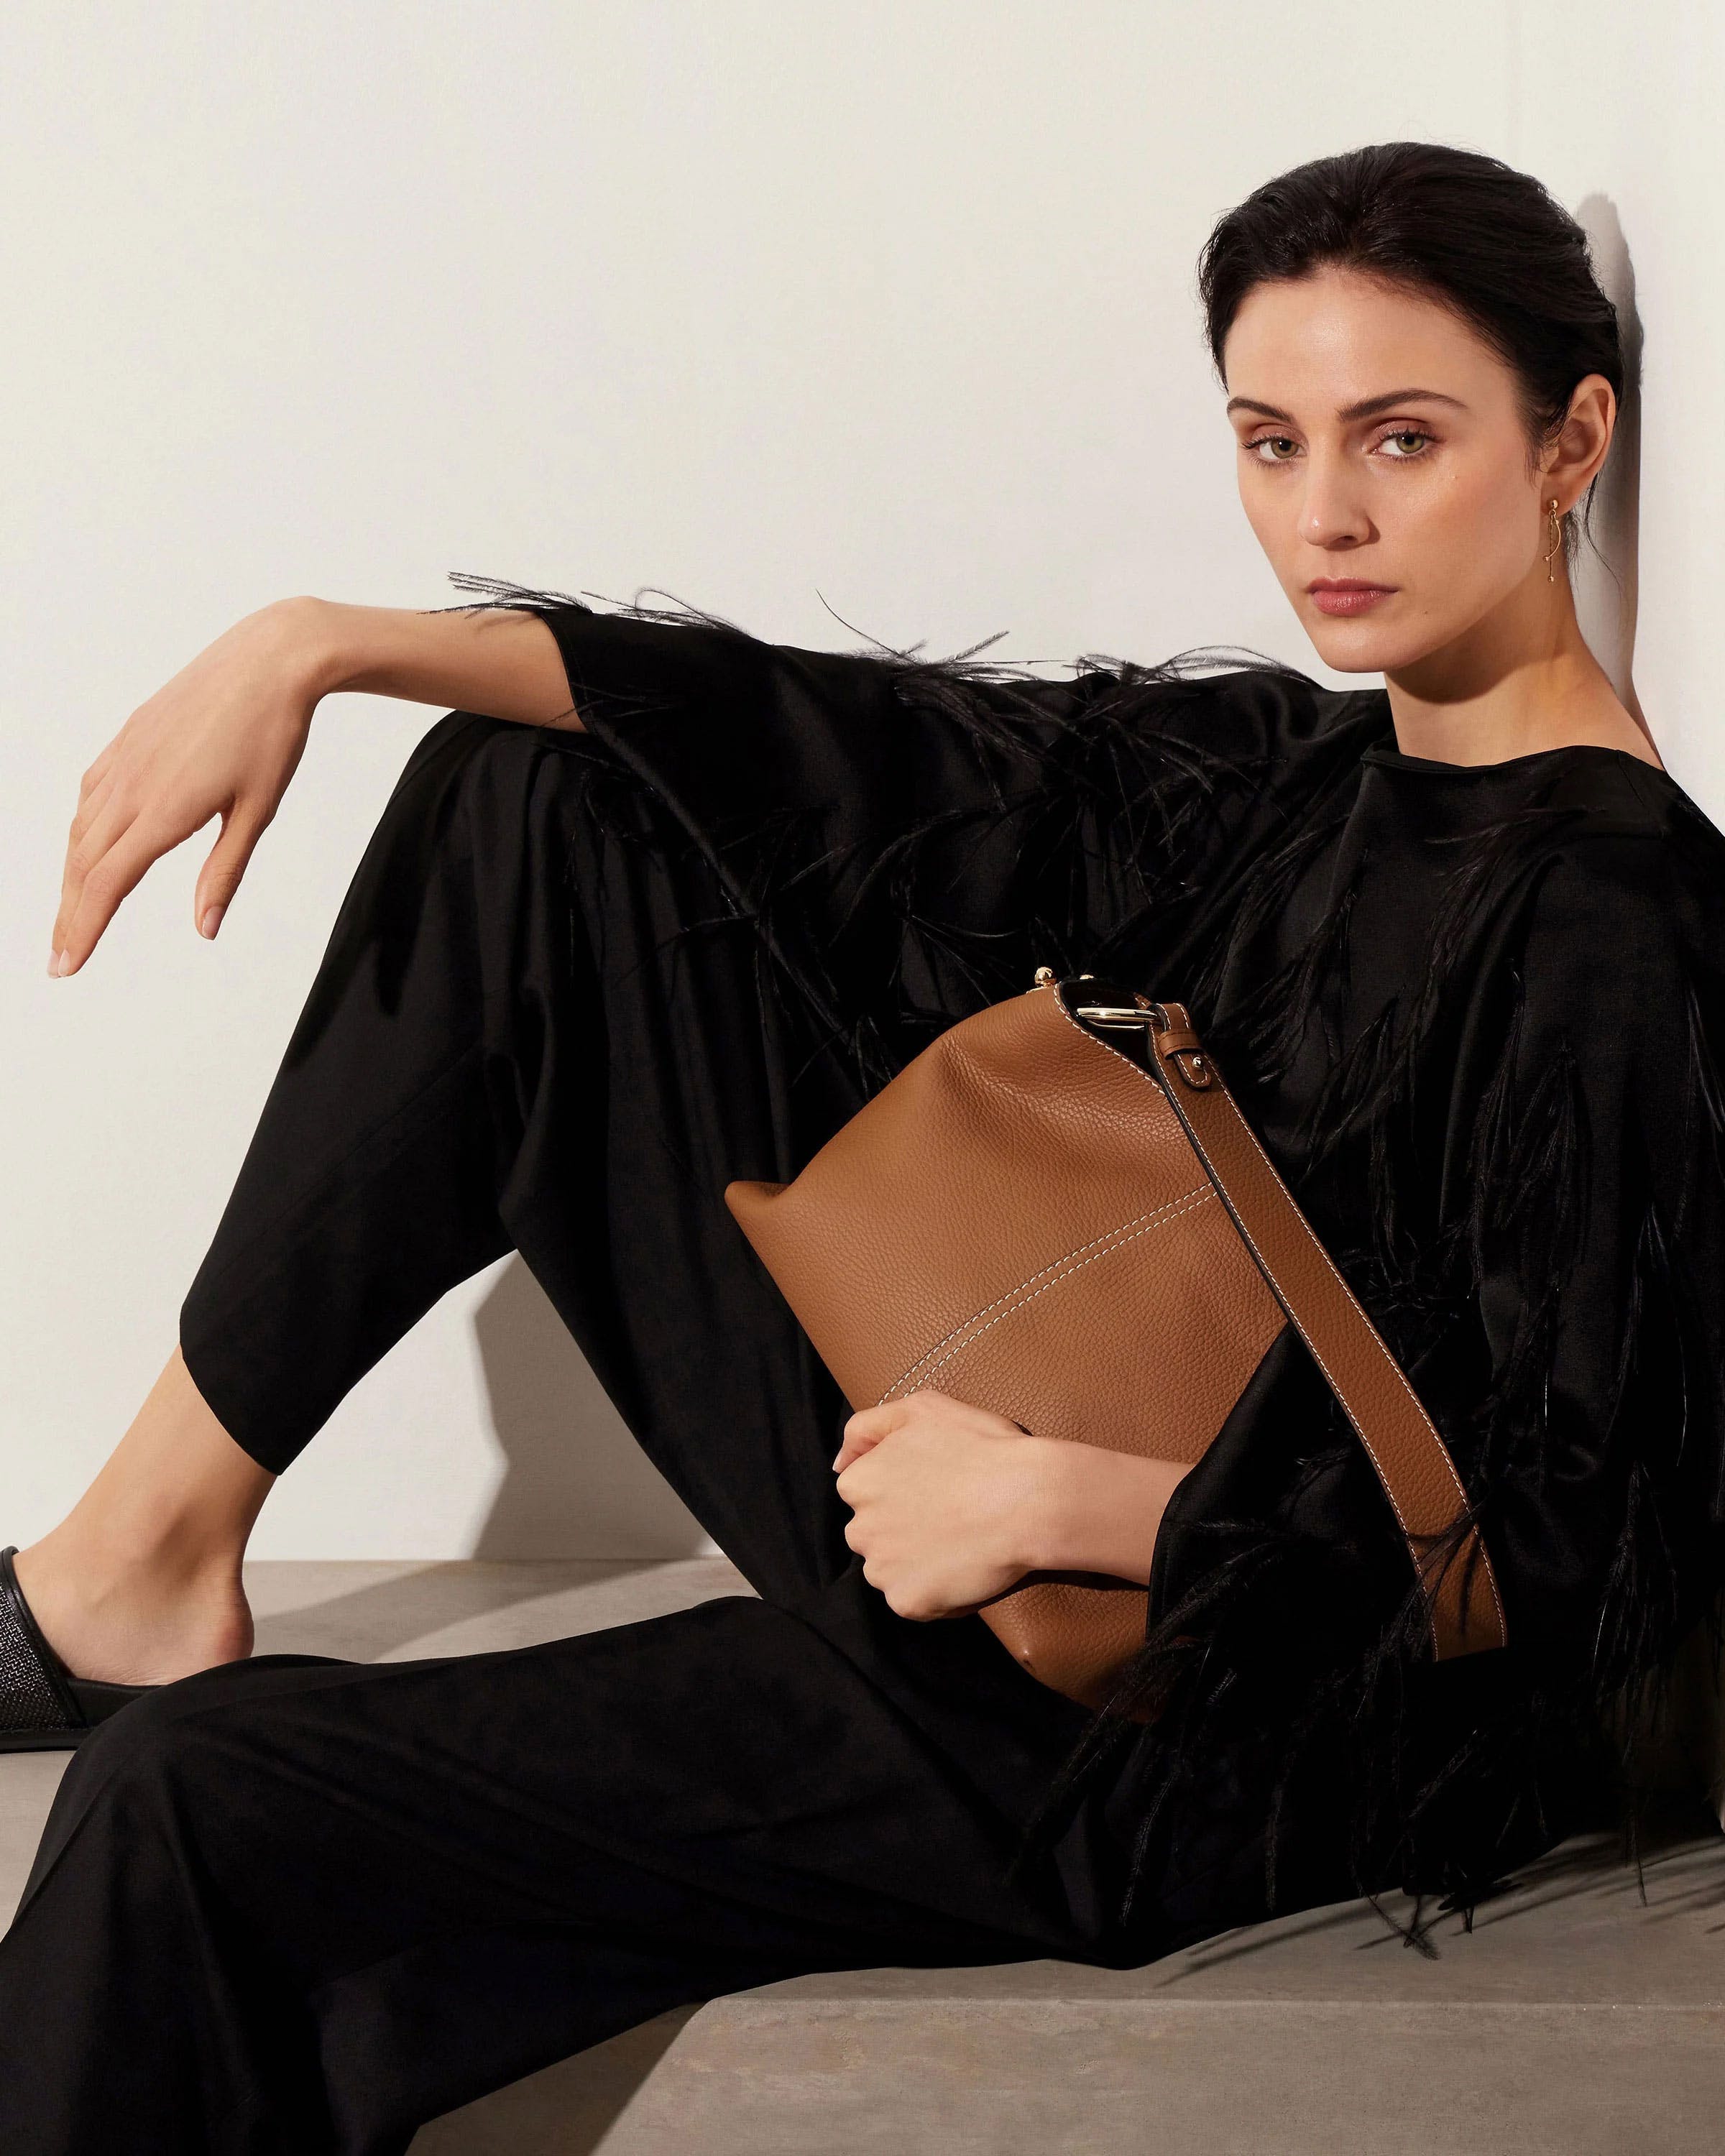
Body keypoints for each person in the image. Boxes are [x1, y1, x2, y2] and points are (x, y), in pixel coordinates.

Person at [4, 137, 1724, 2153]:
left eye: (1400, 438)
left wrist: (1064, 1508)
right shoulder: (1313, 773)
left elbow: (1597, 1544)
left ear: (1571, 442)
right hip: (1003, 1478)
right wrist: (322, 639)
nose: (1321, 515)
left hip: (1175, 1712)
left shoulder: (1621, 926)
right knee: (525, 807)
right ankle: (146, 1553)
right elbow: (879, 747)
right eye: (1269, 441)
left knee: (186, 1804)